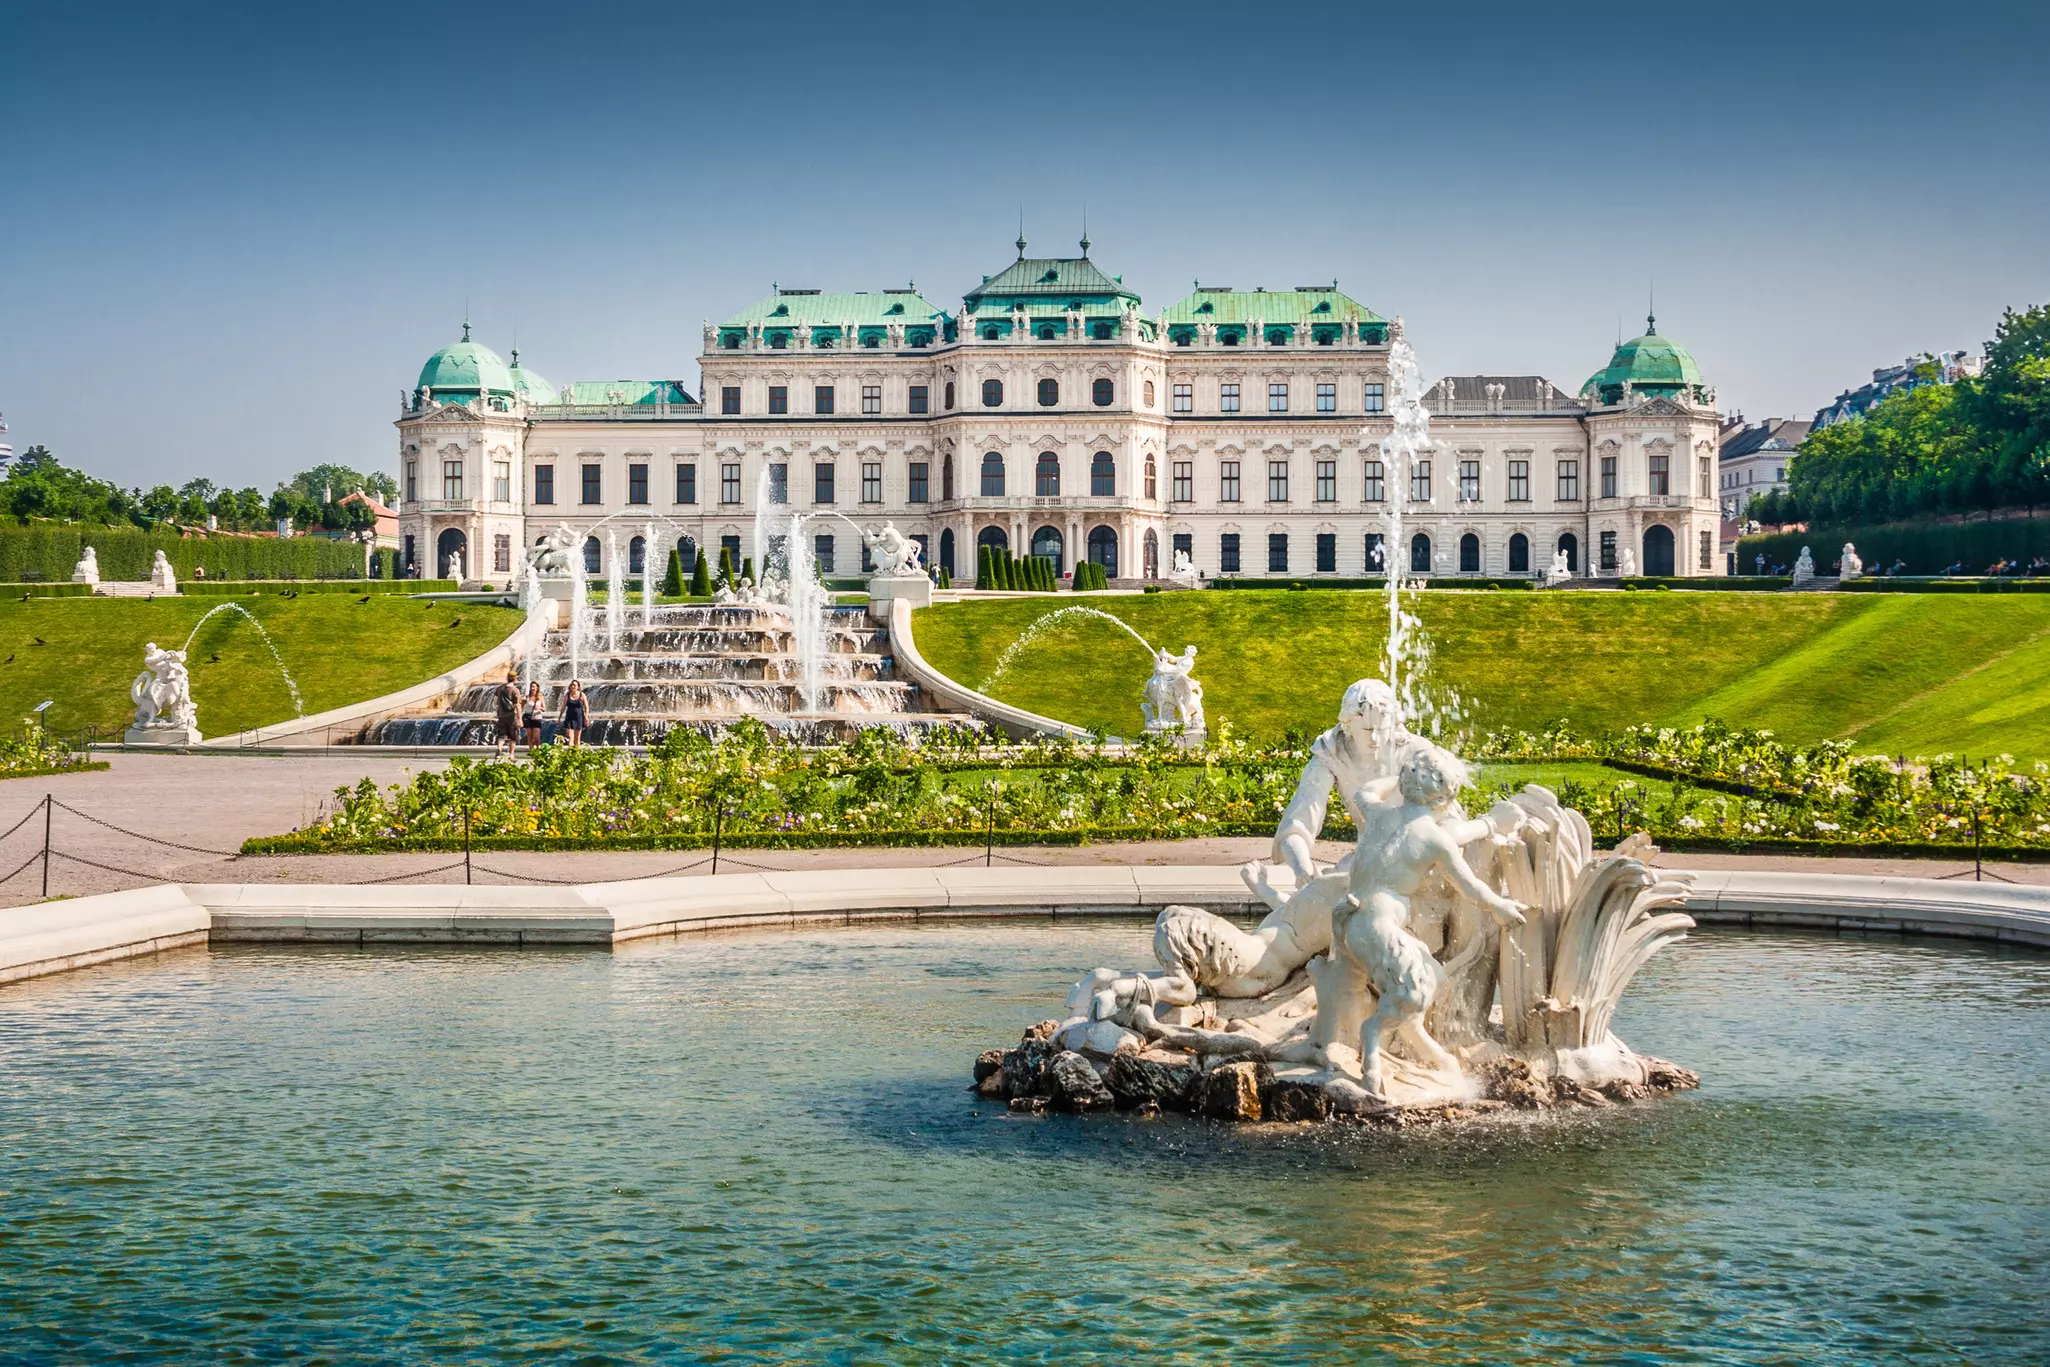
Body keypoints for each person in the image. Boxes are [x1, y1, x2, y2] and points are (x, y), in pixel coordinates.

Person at [493, 670, 522, 758]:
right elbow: (517, 705)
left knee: (502, 734)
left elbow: (495, 701)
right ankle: (511, 754)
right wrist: (520, 718)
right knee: (513, 736)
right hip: (511, 716)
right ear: (515, 679)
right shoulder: (515, 690)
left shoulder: (499, 688)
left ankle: (499, 749)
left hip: (501, 715)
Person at [561, 679, 589, 747]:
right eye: (572, 685)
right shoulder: (567, 695)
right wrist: (560, 716)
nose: (573, 686)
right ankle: (571, 753)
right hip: (569, 718)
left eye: (574, 685)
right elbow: (563, 706)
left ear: (578, 687)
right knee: (570, 737)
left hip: (579, 717)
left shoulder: (582, 695)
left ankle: (576, 754)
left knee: (577, 738)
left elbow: (586, 706)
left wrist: (586, 716)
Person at [523, 681, 545, 748]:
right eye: (531, 687)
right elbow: (521, 706)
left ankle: (538, 749)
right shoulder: (527, 697)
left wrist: (540, 707)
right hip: (528, 718)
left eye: (534, 687)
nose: (532, 688)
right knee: (529, 736)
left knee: (536, 737)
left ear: (537, 688)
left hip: (537, 718)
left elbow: (544, 709)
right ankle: (531, 751)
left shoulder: (540, 697)